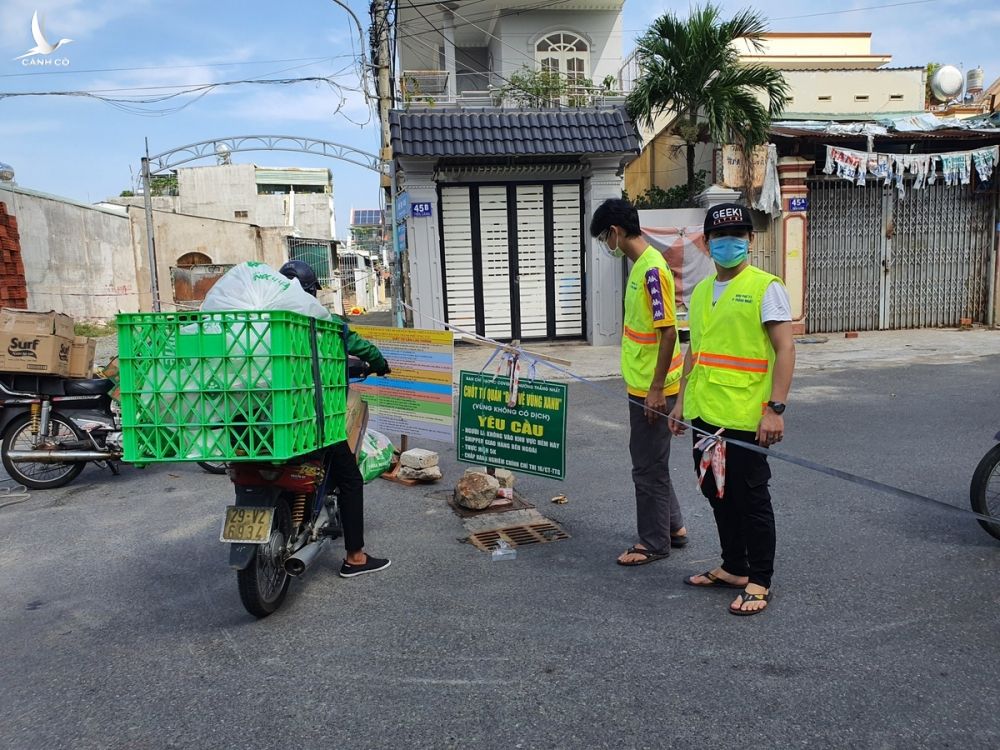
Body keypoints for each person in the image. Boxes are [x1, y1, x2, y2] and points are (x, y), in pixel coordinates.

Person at [668, 203, 795, 616]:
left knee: (751, 499)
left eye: (738, 235)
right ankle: (734, 567)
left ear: (750, 241)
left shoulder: (765, 287)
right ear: (706, 243)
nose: (729, 243)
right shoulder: (702, 292)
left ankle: (759, 579)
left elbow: (785, 347)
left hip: (746, 417)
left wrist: (775, 409)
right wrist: (681, 402)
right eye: (721, 237)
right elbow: (695, 350)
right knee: (716, 493)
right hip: (705, 414)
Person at [589, 199, 688, 566]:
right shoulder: (642, 268)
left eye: (603, 238)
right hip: (645, 385)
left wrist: (657, 390)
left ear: (615, 232)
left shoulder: (650, 271)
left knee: (646, 467)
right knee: (652, 461)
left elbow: (667, 333)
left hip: (654, 389)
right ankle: (672, 527)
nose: (605, 246)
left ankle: (653, 542)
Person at [279, 259, 392, 578]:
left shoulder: (262, 321)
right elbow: (360, 347)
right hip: (315, 419)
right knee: (350, 480)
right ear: (310, 292)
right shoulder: (322, 320)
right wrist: (380, 363)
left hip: (267, 419)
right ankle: (355, 557)